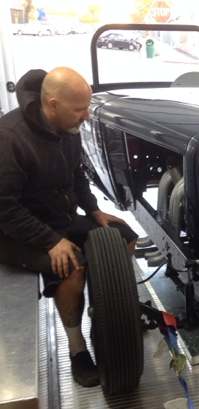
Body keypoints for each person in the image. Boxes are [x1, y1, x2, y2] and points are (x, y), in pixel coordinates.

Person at [0, 67, 138, 387]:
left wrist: (94, 210)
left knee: (124, 238)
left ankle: (103, 307)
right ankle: (77, 349)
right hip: (15, 232)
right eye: (80, 109)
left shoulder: (68, 129)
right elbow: (4, 208)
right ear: (53, 104)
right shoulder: (10, 138)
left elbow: (77, 174)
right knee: (71, 267)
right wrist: (51, 241)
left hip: (60, 217)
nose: (86, 116)